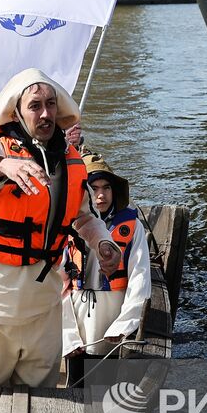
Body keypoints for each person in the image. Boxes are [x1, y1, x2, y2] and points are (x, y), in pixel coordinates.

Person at [0, 68, 121, 387]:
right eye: (35, 105)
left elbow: (85, 216)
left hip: (43, 301)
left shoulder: (69, 159)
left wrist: (103, 242)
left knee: (40, 396)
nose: (45, 113)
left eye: (51, 104)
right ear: (17, 110)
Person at [61, 153, 152, 374]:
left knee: (106, 380)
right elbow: (57, 281)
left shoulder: (131, 226)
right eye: (94, 188)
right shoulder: (65, 224)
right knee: (75, 379)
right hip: (77, 314)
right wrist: (67, 333)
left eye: (106, 188)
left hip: (113, 313)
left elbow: (140, 277)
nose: (100, 195)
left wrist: (124, 324)